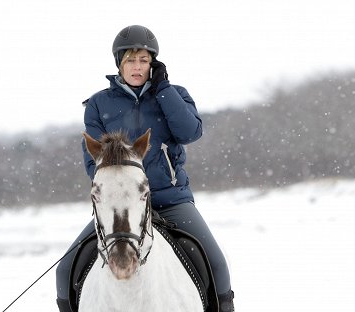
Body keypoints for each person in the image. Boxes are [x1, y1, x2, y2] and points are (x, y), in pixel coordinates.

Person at [56, 25, 234, 312]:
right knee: (65, 270)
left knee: (216, 264)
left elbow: (190, 132)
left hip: (170, 199)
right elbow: (94, 164)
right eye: (130, 60)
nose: (137, 68)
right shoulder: (99, 104)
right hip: (121, 206)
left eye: (144, 61)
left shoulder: (174, 94)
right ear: (119, 64)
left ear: (153, 64)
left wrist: (163, 90)